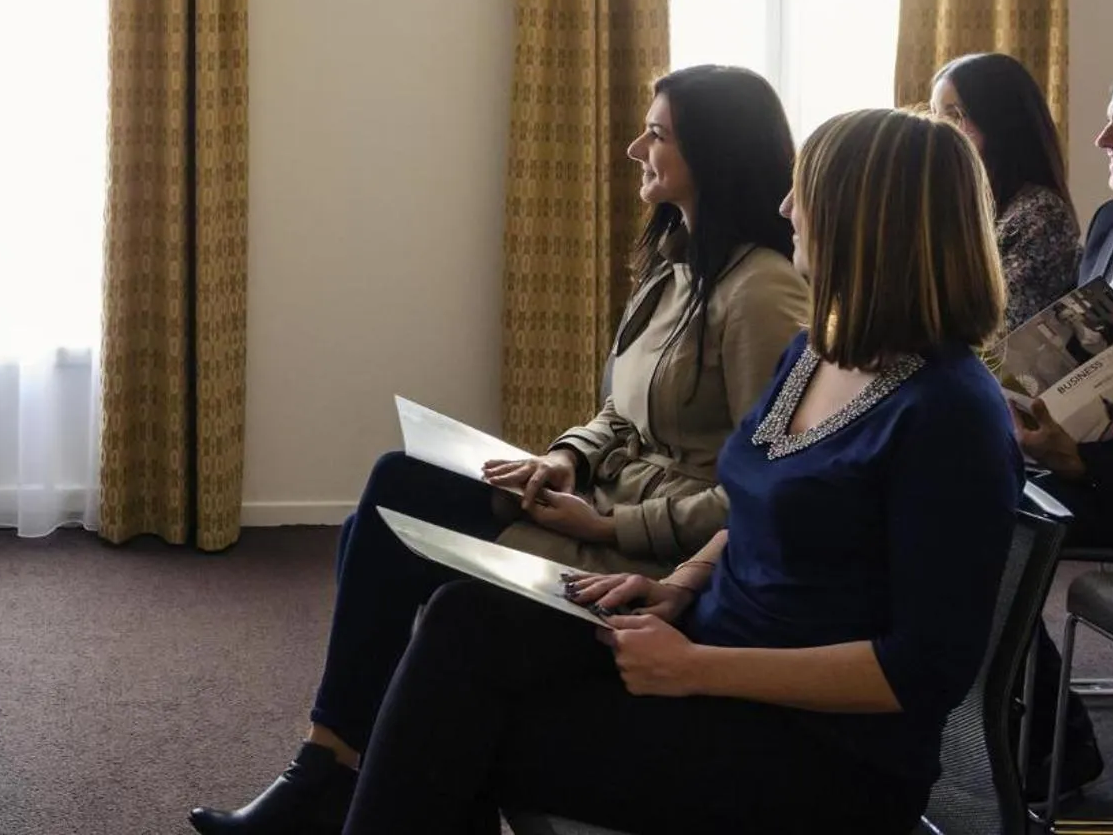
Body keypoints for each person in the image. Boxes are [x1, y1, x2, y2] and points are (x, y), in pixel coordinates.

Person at [333, 108, 1020, 835]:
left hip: (821, 751)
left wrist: (695, 667)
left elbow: (921, 670)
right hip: (717, 653)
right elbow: (757, 511)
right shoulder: (816, 353)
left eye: (806, 192)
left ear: (866, 223)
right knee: (465, 621)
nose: (786, 207)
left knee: (456, 724)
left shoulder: (950, 415)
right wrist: (679, 586)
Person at [188, 65, 809, 835]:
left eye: (657, 134)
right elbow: (618, 414)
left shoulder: (762, 295)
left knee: (388, 547)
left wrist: (608, 526)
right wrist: (565, 459)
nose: (633, 148)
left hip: (644, 554)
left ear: (716, 152)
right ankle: (331, 766)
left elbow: (761, 494)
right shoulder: (676, 266)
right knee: (395, 487)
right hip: (597, 504)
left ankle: (333, 775)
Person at [1013, 65, 1113, 557]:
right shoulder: (1107, 223)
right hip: (1070, 459)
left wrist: (1083, 462)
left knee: (978, 514)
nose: (1102, 140)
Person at [931, 52, 1081, 332]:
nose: (938, 133)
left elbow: (998, 328)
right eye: (936, 116)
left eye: (954, 115)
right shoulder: (955, 207)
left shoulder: (1039, 214)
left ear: (998, 122)